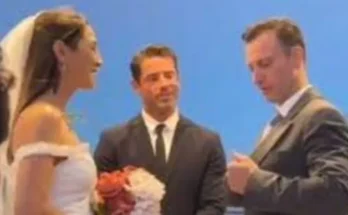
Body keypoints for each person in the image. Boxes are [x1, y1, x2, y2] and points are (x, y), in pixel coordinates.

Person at [225, 17, 348, 215]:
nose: (256, 78)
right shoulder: (276, 123)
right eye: (251, 68)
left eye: (264, 64)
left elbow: (336, 193)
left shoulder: (322, 115)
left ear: (297, 58)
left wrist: (254, 182)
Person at [94, 44, 226, 215]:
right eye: (153, 78)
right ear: (136, 86)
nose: (164, 84)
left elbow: (214, 206)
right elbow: (99, 205)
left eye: (169, 76)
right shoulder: (112, 141)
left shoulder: (208, 142)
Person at [0, 8, 103, 215]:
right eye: (92, 48)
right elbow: (30, 209)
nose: (99, 60)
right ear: (61, 51)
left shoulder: (52, 117)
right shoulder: (43, 117)